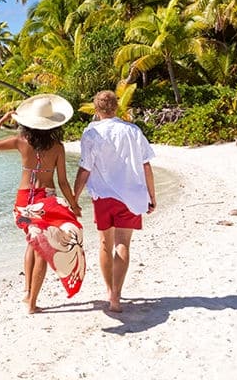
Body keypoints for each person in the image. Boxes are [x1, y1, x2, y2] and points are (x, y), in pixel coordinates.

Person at [0, 94, 86, 314]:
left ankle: (27, 293)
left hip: (23, 200)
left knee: (32, 243)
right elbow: (63, 182)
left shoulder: (21, 141)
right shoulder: (57, 147)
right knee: (41, 250)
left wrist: (2, 122)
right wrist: (73, 205)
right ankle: (31, 303)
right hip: (46, 200)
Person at [72, 90, 156, 313]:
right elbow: (146, 165)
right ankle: (117, 295)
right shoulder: (133, 131)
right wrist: (151, 196)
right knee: (123, 244)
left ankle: (109, 291)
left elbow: (85, 168)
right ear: (116, 107)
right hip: (130, 196)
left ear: (96, 109)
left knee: (104, 244)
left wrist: (74, 197)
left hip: (103, 197)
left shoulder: (91, 133)